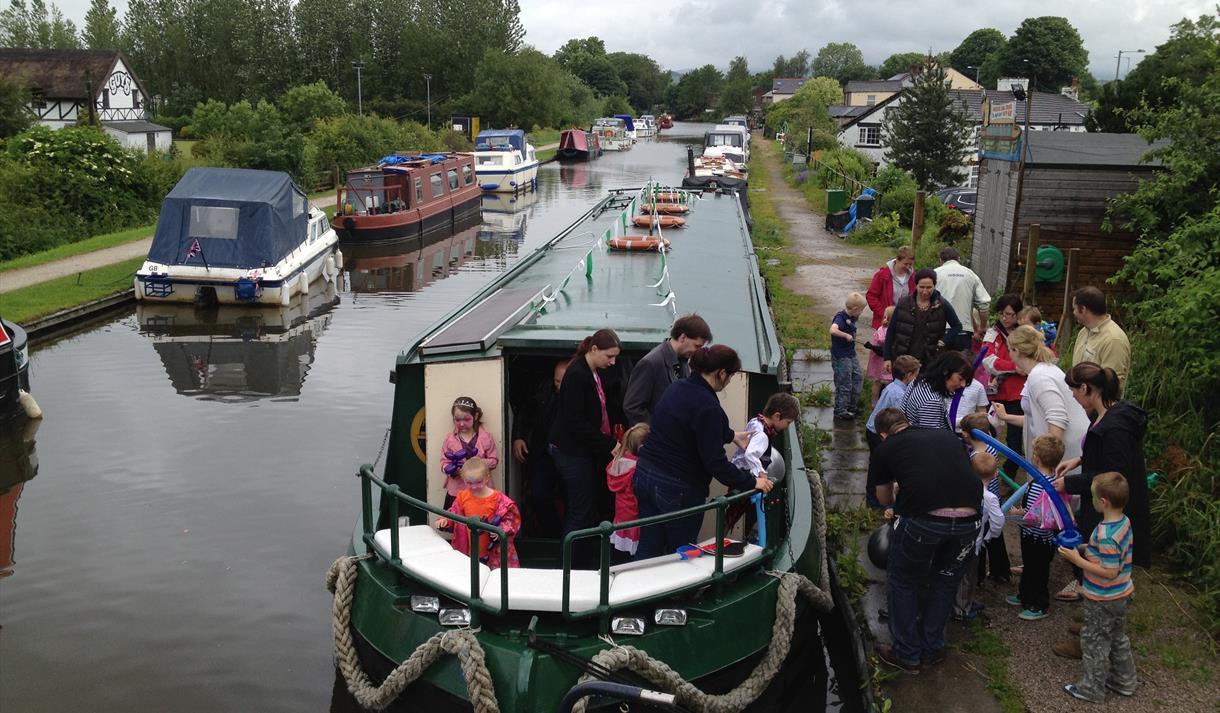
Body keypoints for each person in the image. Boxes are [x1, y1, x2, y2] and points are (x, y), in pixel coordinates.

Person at [631, 345, 774, 560]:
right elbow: (715, 463)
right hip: (676, 487)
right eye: (731, 376)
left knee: (649, 545)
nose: (729, 381)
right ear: (722, 373)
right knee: (681, 552)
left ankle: (640, 590)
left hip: (645, 475)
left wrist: (732, 435)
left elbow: (690, 426)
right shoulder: (708, 406)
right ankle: (680, 593)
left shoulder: (677, 388)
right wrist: (752, 482)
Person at [868, 408, 983, 673]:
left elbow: (885, 499)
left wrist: (899, 491)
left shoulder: (886, 449)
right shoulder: (946, 437)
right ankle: (932, 648)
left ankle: (907, 653)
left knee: (903, 580)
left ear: (884, 434)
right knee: (945, 581)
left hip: (924, 521)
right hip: (970, 520)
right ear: (907, 423)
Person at [1049, 362, 1151, 624]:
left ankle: (1094, 627)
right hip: (1099, 500)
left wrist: (1070, 484)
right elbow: (1103, 456)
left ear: (1086, 388)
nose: (1073, 397)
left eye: (1074, 391)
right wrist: (1079, 460)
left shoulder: (1116, 426)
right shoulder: (1106, 413)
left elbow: (1113, 474)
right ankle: (1091, 618)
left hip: (1110, 506)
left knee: (1101, 563)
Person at [1057, 472, 1139, 703]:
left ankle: (1092, 689)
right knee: (1117, 637)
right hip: (1122, 594)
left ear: (1103, 502)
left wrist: (1077, 560)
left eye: (1092, 496)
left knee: (1094, 642)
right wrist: (1085, 548)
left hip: (1104, 599)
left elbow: (1109, 571)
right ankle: (1124, 681)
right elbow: (1110, 556)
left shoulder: (1105, 535)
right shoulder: (1123, 523)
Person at [550, 329, 623, 566]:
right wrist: (609, 444)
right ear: (594, 350)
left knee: (584, 507)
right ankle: (567, 567)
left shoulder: (591, 371)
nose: (612, 362)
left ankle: (577, 561)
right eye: (609, 356)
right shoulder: (577, 375)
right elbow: (575, 422)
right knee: (580, 511)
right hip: (572, 453)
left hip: (582, 451)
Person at [992, 325, 1089, 470]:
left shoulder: (1040, 377)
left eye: (1009, 350)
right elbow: (1038, 418)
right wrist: (1006, 417)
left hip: (1063, 461)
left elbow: (1057, 418)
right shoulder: (1041, 371)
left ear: (1016, 351)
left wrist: (1047, 464)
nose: (1009, 356)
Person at [1006, 433, 1066, 621]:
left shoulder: (1046, 485)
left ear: (1036, 458)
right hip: (1031, 534)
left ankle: (1040, 604)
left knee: (1038, 571)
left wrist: (1019, 514)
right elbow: (1036, 509)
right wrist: (1024, 512)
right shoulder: (1041, 480)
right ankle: (1025, 595)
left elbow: (1040, 515)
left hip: (1041, 537)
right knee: (1029, 567)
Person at [510, 360, 567, 537]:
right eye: (557, 381)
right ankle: (553, 537)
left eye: (564, 382)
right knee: (539, 496)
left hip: (571, 455)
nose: (559, 386)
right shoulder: (543, 387)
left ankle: (571, 543)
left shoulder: (582, 392)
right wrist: (518, 437)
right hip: (543, 452)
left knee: (572, 500)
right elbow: (525, 410)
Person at [623, 314, 712, 425]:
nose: (697, 351)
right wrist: (655, 432)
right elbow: (632, 407)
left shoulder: (682, 361)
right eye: (696, 346)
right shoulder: (650, 363)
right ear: (682, 337)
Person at [434, 458, 521, 568]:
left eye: (479, 482)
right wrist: (445, 520)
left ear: (487, 478)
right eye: (469, 483)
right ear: (463, 480)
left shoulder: (499, 500)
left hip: (494, 554)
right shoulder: (462, 497)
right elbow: (454, 513)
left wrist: (501, 529)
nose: (474, 486)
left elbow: (511, 520)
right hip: (470, 552)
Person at [953, 452, 1006, 622]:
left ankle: (960, 602)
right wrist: (990, 536)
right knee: (968, 577)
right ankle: (962, 610)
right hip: (973, 544)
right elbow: (998, 521)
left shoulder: (961, 488)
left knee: (954, 573)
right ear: (995, 474)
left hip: (954, 538)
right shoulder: (990, 498)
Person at [960, 411, 1011, 583]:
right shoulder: (991, 447)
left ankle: (978, 575)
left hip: (982, 502)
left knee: (979, 540)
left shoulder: (975, 457)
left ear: (968, 434)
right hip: (994, 498)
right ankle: (1001, 571)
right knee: (997, 538)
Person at [982, 294, 1026, 481]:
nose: (1005, 318)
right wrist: (1014, 367)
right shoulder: (993, 333)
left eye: (1009, 314)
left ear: (1018, 315)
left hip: (1018, 393)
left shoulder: (1026, 333)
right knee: (987, 433)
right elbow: (988, 360)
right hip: (996, 393)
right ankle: (983, 471)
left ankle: (1009, 476)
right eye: (1001, 314)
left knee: (1015, 440)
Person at [884, 268, 962, 371]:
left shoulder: (942, 305)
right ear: (916, 285)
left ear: (935, 285)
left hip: (929, 360)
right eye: (922, 287)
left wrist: (944, 340)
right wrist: (887, 358)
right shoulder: (903, 304)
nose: (925, 291)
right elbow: (891, 331)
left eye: (929, 287)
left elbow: (957, 326)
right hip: (903, 360)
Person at [441, 396, 500, 510]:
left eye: (466, 419)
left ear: (475, 416)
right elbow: (444, 461)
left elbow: (494, 461)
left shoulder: (485, 437)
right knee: (457, 522)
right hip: (456, 491)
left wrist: (475, 465)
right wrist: (450, 469)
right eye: (457, 420)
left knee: (481, 521)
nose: (462, 424)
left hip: (481, 490)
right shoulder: (450, 439)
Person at [1070, 287, 1131, 393]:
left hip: (1100, 408)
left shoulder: (1114, 339)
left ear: (1083, 309)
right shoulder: (1083, 332)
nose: (1074, 313)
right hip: (1079, 404)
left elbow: (1112, 384)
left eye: (1074, 309)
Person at [934, 246, 991, 351]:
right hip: (963, 331)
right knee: (960, 365)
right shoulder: (970, 274)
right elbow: (984, 305)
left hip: (939, 331)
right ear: (959, 259)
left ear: (941, 260)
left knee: (939, 365)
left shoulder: (935, 274)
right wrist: (982, 327)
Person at [899, 351, 973, 430]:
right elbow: (933, 438)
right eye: (960, 379)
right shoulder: (932, 401)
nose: (963, 384)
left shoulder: (919, 381)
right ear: (946, 372)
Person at [732, 392, 800, 478]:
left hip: (737, 471)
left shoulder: (756, 421)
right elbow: (750, 454)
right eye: (788, 422)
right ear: (777, 416)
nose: (787, 426)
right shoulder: (762, 435)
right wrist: (761, 472)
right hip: (744, 475)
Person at [607, 423, 650, 557]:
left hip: (621, 517)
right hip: (634, 517)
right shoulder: (636, 468)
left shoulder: (617, 462)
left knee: (620, 554)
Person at [830, 293, 867, 420]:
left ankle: (852, 406)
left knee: (858, 377)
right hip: (841, 356)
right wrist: (845, 335)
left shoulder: (852, 317)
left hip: (851, 354)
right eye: (862, 310)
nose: (862, 313)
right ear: (856, 309)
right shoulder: (840, 318)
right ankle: (840, 410)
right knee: (844, 382)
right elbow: (833, 330)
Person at [866, 245, 915, 330]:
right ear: (897, 260)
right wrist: (884, 314)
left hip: (905, 323)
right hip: (884, 323)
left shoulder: (913, 277)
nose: (908, 267)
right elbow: (871, 296)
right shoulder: (882, 275)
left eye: (910, 264)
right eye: (905, 264)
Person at [864, 306, 895, 407]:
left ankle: (876, 403)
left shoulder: (882, 329)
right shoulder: (885, 330)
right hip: (881, 361)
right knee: (884, 382)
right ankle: (877, 403)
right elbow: (883, 341)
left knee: (878, 382)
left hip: (879, 360)